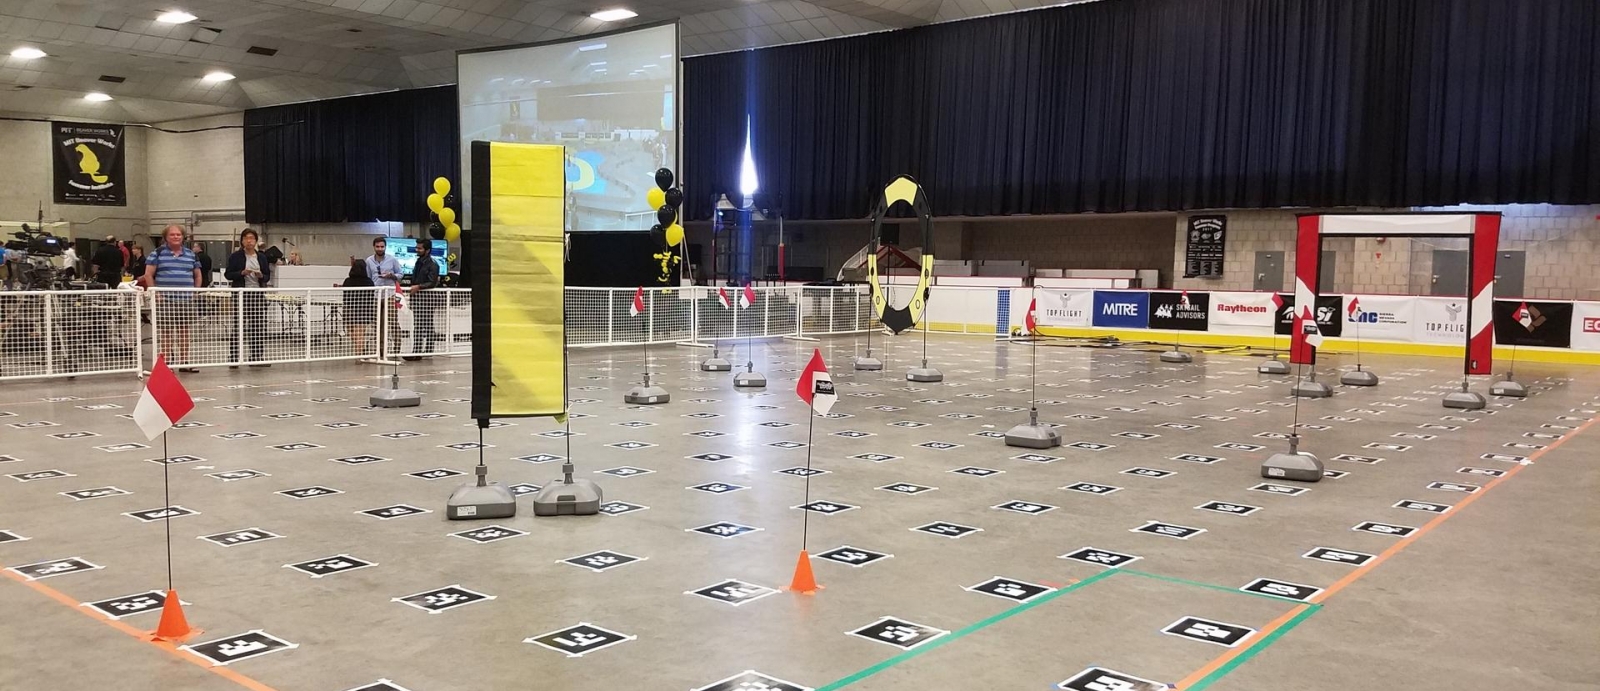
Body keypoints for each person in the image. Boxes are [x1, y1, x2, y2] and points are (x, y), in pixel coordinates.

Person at [143, 225, 201, 373]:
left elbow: (198, 275)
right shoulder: (157, 253)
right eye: (172, 235)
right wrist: (155, 293)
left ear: (183, 237)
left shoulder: (191, 254)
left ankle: (184, 361)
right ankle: (166, 362)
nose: (176, 237)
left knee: (184, 330)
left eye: (178, 235)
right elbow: (148, 274)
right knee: (166, 331)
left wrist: (195, 291)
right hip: (166, 299)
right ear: (166, 237)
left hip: (186, 299)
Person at [224, 229, 272, 368]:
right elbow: (228, 274)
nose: (249, 241)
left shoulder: (262, 257)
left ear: (256, 241)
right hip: (241, 294)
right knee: (238, 325)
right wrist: (241, 273)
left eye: (251, 238)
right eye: (246, 238)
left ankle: (256, 356)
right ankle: (234, 357)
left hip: (257, 294)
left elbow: (267, 275)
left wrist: (261, 276)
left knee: (257, 326)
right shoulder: (235, 256)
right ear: (242, 240)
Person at [405, 238, 441, 359]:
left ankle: (422, 351)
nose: (417, 250)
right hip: (417, 298)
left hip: (427, 299)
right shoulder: (418, 261)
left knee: (425, 324)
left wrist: (419, 286)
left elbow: (432, 282)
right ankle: (419, 351)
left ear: (427, 250)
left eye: (420, 248)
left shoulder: (433, 264)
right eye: (417, 247)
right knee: (420, 325)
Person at [365, 237, 402, 353]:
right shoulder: (369, 260)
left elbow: (401, 274)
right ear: (374, 247)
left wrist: (391, 275)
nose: (380, 249)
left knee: (393, 321)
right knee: (378, 323)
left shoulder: (392, 260)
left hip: (390, 294)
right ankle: (380, 349)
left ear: (385, 247)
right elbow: (368, 278)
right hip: (376, 295)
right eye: (377, 246)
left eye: (382, 246)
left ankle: (397, 348)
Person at [340, 258, 375, 354]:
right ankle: (360, 352)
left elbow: (345, 296)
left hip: (350, 310)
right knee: (360, 333)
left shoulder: (347, 281)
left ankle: (359, 352)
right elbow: (371, 297)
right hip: (364, 311)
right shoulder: (369, 282)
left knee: (352, 332)